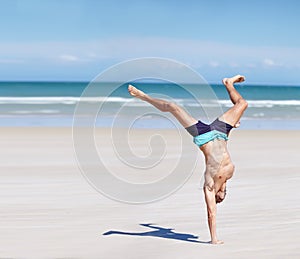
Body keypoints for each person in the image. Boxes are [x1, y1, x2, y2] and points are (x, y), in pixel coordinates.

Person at [128, 75, 248, 244]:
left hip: (204, 136)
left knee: (173, 107)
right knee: (243, 104)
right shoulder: (230, 173)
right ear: (225, 191)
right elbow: (223, 147)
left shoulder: (210, 186)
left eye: (218, 199)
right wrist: (232, 126)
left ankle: (143, 96)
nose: (219, 199)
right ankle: (229, 83)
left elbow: (211, 212)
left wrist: (214, 239)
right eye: (221, 198)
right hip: (221, 131)